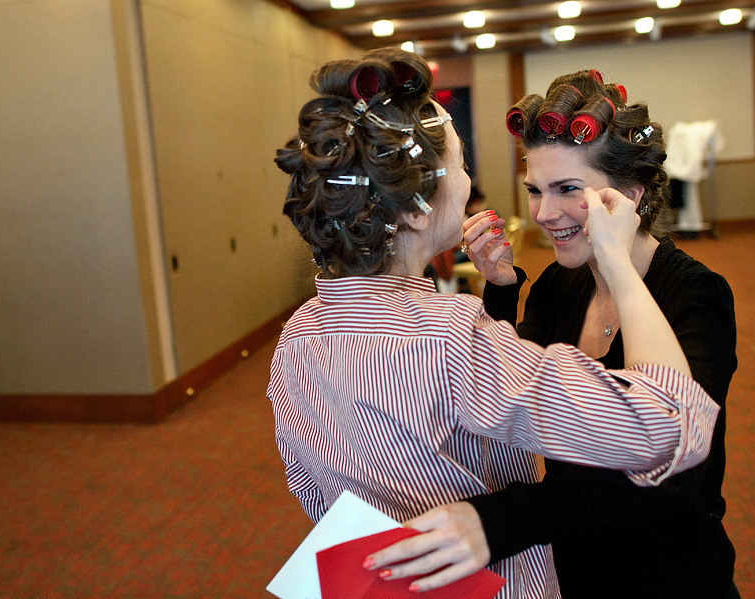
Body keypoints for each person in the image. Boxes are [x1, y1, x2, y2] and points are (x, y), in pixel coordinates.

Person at [269, 52, 720, 599]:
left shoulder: (297, 336)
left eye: (567, 189)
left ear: (629, 196)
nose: (542, 213)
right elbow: (666, 426)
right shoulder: (458, 331)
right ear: (414, 208)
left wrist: (500, 294)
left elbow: (321, 491)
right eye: (462, 167)